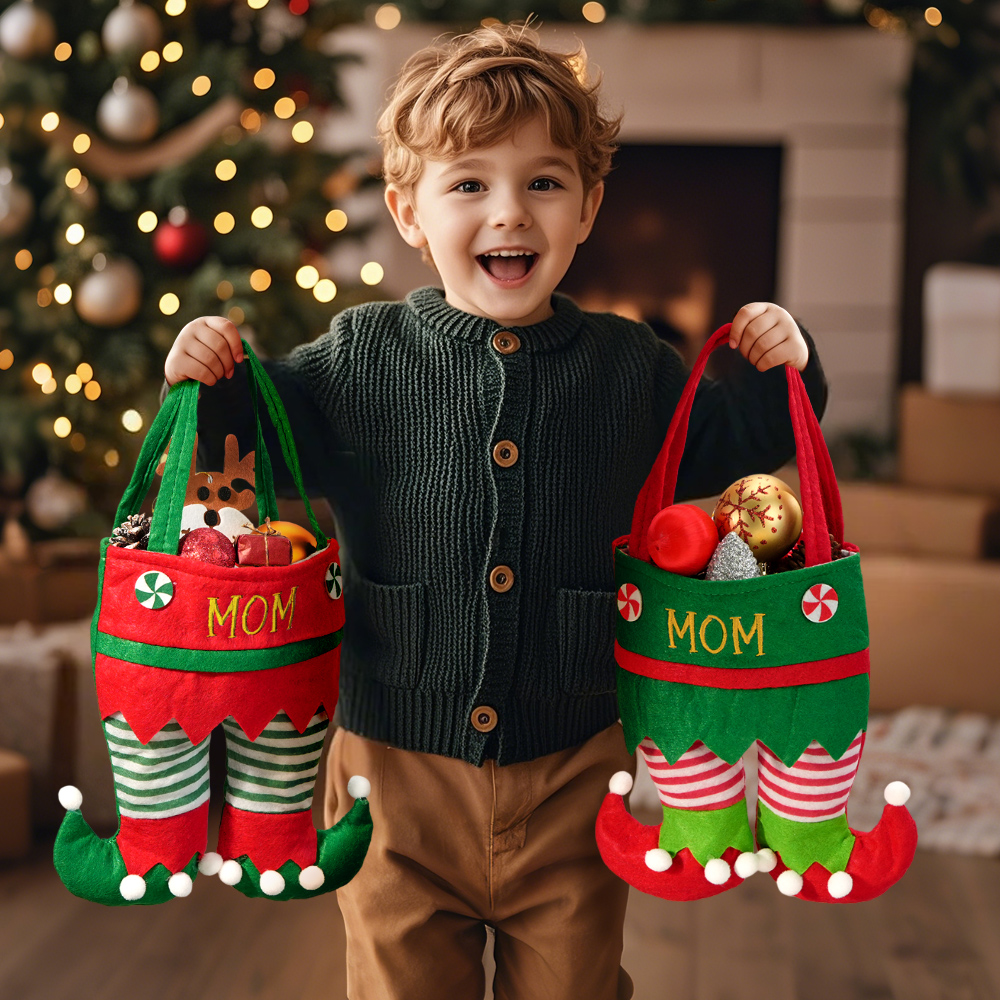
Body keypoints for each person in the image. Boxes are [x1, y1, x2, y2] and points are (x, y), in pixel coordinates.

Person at [164, 22, 826, 1000]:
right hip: (393, 772)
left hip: (573, 764)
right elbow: (251, 444)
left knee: (575, 985)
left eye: (544, 183)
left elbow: (736, 442)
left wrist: (784, 358)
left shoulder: (629, 367)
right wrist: (211, 380)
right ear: (408, 212)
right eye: (467, 183)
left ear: (590, 205)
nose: (508, 213)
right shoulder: (359, 358)